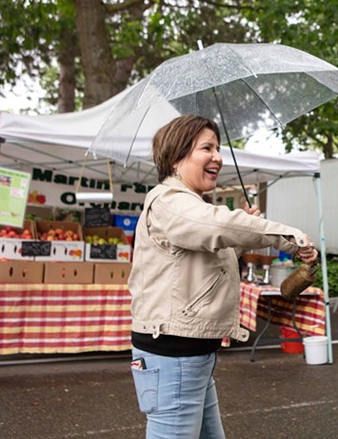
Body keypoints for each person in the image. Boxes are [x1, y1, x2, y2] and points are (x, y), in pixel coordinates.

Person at [128, 115, 317, 438]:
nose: (218, 156)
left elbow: (208, 255)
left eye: (217, 147)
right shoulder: (170, 203)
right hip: (175, 355)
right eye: (206, 147)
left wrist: (242, 230)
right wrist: (289, 239)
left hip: (191, 354)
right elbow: (218, 226)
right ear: (176, 157)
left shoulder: (187, 206)